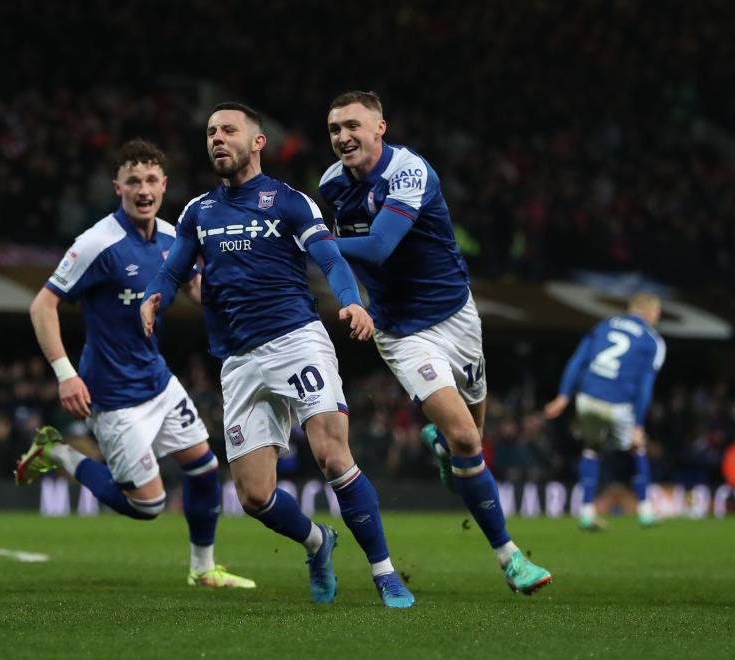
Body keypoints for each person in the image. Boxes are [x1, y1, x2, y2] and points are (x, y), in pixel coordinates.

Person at [140, 102, 415, 608]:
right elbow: (174, 268)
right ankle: (318, 542)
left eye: (228, 130)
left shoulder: (290, 203)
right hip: (239, 360)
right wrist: (155, 293)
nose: (217, 139)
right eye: (210, 132)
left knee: (333, 455)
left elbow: (328, 256)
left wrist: (352, 301)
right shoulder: (198, 211)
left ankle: (385, 573)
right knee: (254, 497)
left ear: (257, 141)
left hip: (296, 339)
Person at [319, 90, 551, 595]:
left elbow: (378, 247)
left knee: (472, 443)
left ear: (381, 127)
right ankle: (511, 558)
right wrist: (347, 293)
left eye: (353, 126)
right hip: (402, 332)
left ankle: (442, 448)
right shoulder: (332, 186)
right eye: (335, 128)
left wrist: (312, 242)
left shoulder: (409, 172)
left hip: (457, 317)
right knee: (468, 440)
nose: (343, 137)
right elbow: (344, 261)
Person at [15, 139, 254, 590]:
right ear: (117, 188)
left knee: (203, 466)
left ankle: (203, 569)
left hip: (158, 380)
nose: (142, 189)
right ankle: (59, 452)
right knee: (147, 506)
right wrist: (66, 375)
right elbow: (42, 307)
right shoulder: (97, 243)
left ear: (164, 186)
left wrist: (243, 296)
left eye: (150, 181)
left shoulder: (171, 237)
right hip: (113, 393)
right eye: (132, 181)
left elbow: (199, 290)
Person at [544, 293, 665, 529]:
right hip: (618, 402)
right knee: (636, 447)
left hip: (587, 397)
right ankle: (645, 512)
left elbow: (578, 360)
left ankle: (587, 513)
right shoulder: (653, 341)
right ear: (650, 312)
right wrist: (638, 424)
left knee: (591, 448)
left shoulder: (604, 325)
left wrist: (563, 395)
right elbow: (645, 386)